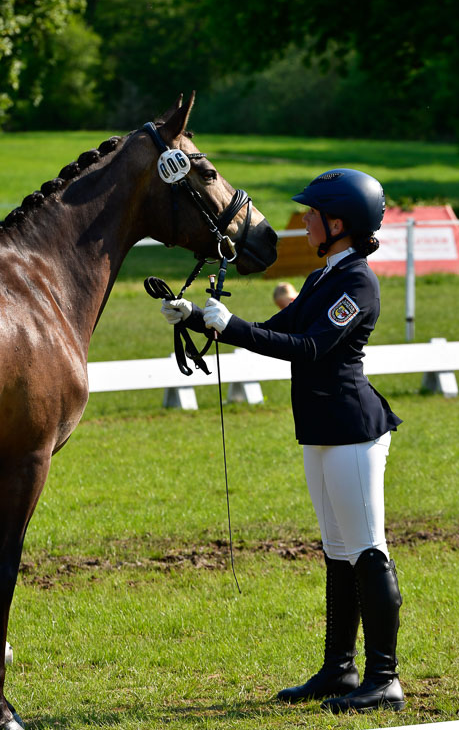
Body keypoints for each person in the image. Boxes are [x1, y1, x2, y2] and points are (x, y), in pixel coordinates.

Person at [161, 168, 405, 714]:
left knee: (368, 549)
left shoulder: (358, 283)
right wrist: (198, 318)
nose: (306, 220)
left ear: (340, 224)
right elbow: (278, 328)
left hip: (352, 432)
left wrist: (232, 326)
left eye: (314, 214)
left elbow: (309, 347)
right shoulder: (322, 278)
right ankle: (340, 669)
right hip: (320, 430)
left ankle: (384, 678)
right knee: (338, 551)